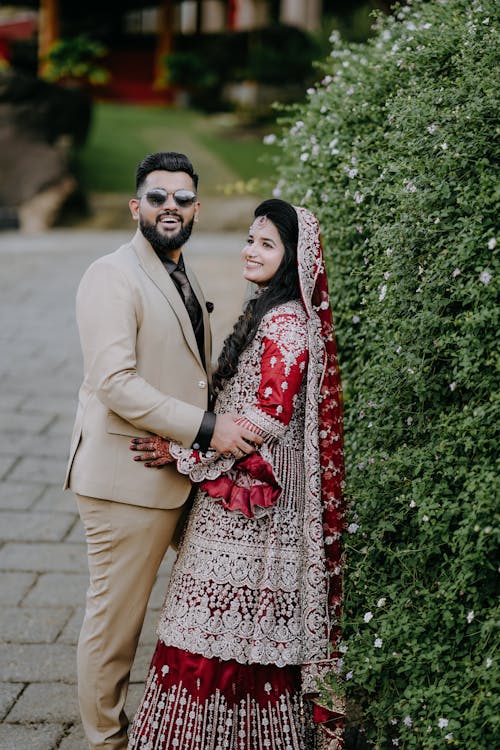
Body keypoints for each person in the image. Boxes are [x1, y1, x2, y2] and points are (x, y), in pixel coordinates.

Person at [127, 198, 346, 749]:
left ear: (293, 257)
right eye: (251, 239)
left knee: (226, 630)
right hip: (239, 494)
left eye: (267, 243)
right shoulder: (270, 314)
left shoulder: (288, 327)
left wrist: (182, 452)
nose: (251, 250)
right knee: (204, 621)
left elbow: (262, 422)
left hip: (258, 506)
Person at [63, 152, 261, 750]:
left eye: (180, 198)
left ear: (196, 208)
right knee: (115, 625)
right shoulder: (111, 273)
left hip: (173, 469)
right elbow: (115, 382)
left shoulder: (181, 270)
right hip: (126, 477)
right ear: (136, 206)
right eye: (157, 197)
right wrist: (207, 430)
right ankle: (105, 742)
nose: (168, 206)